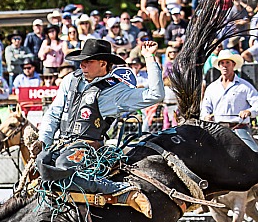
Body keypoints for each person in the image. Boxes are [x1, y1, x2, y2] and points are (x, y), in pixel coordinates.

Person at [36, 38, 164, 205]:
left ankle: (116, 189)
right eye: (82, 61)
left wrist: (149, 58)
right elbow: (53, 113)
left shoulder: (116, 91)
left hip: (88, 146)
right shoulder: (71, 80)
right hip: (62, 143)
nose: (82, 65)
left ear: (103, 64)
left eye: (88, 61)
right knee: (40, 161)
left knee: (61, 166)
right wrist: (43, 141)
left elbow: (155, 95)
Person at [200, 49, 258, 152]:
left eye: (227, 63)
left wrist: (249, 112)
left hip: (239, 129)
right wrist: (206, 116)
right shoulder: (211, 88)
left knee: (255, 153)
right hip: (217, 129)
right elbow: (205, 108)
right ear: (219, 66)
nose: (224, 66)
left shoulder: (245, 86)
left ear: (233, 65)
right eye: (222, 63)